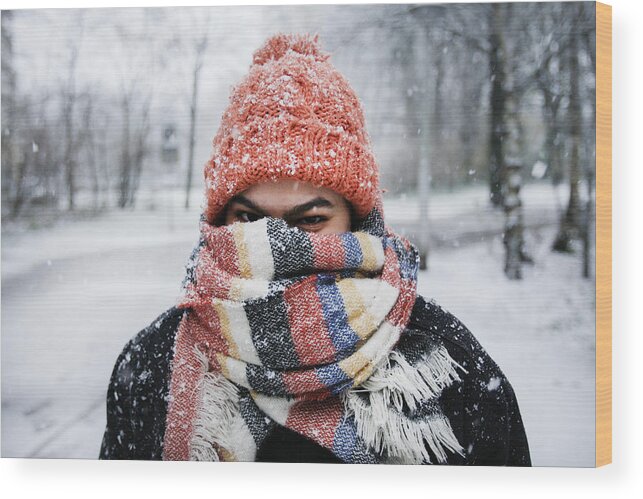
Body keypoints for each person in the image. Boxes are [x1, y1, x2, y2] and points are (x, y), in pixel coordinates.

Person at [99, 33, 531, 465]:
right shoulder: (155, 367)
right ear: (220, 220)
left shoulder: (445, 366)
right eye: (249, 219)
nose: (275, 244)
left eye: (310, 220)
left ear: (358, 222)